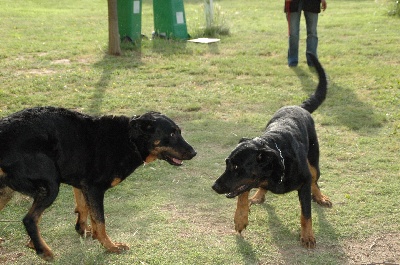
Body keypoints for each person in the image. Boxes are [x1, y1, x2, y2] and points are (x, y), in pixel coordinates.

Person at [284, 0, 327, 67]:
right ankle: (293, 60)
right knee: (293, 33)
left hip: (312, 2)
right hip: (293, 2)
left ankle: (312, 60)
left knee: (312, 32)